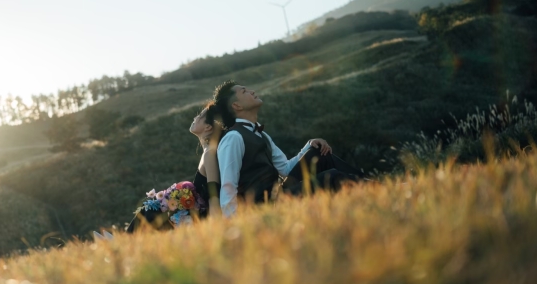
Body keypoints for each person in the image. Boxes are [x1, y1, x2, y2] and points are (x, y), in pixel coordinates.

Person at [213, 80, 364, 217]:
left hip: (279, 193)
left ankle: (369, 185)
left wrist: (309, 146)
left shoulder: (262, 134)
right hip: (263, 206)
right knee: (332, 177)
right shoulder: (233, 138)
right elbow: (228, 185)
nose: (252, 91)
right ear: (236, 105)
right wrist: (234, 223)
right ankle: (370, 189)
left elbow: (285, 169)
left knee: (320, 154)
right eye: (244, 91)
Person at [125, 101, 223, 232]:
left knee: (150, 210)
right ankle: (121, 241)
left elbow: (214, 194)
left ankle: (121, 243)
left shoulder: (210, 153)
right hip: (190, 212)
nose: (195, 118)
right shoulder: (207, 152)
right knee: (150, 208)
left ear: (208, 127)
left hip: (196, 216)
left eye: (200, 116)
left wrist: (216, 225)